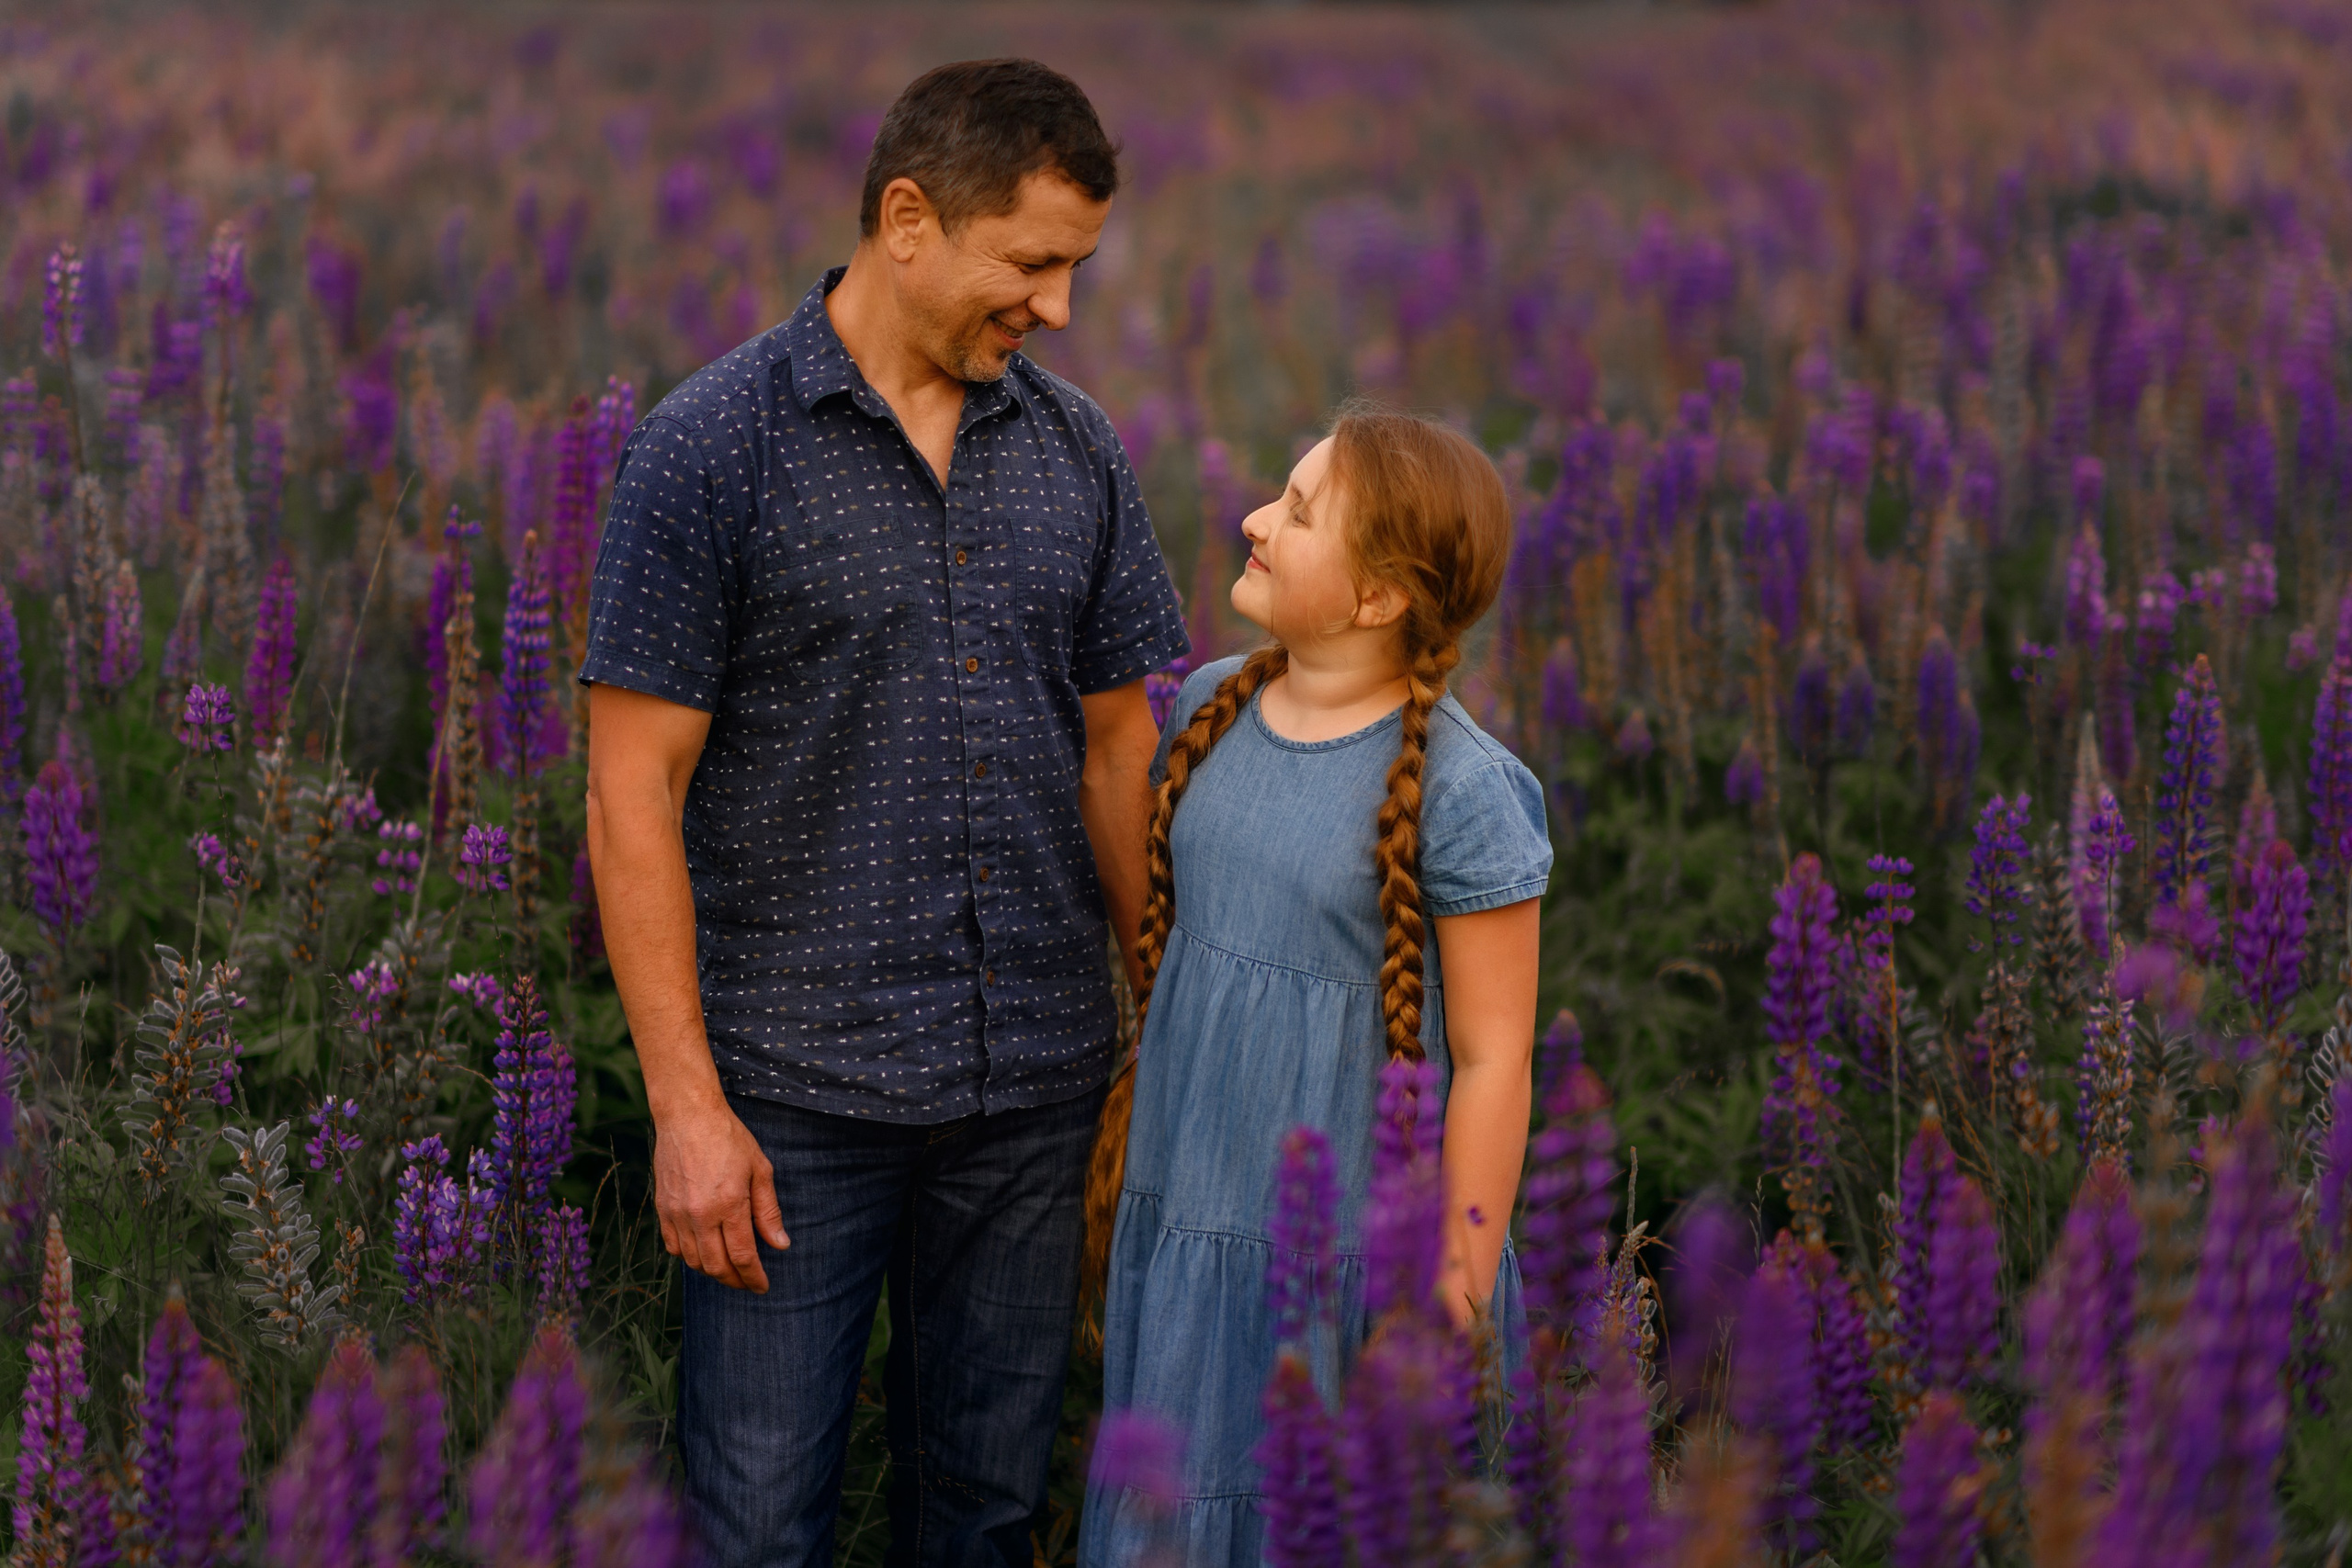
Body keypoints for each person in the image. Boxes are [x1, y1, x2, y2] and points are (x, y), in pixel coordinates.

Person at [579, 59, 1189, 1568]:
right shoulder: (712, 446)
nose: (1056, 308)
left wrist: (1164, 1012)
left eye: (1077, 270)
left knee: (983, 1517)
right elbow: (630, 791)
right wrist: (686, 1110)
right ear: (907, 218)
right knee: (757, 1526)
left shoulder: (1078, 452)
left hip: (1035, 1088)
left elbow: (1123, 752)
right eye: (1032, 263)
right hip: (793, 1106)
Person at [1078, 409, 1552, 1566]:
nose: (1252, 518)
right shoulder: (1208, 705)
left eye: (1294, 511)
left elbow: (1495, 1058)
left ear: (1379, 596)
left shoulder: (1464, 790)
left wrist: (1456, 1279)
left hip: (1350, 1245)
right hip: (1194, 1202)